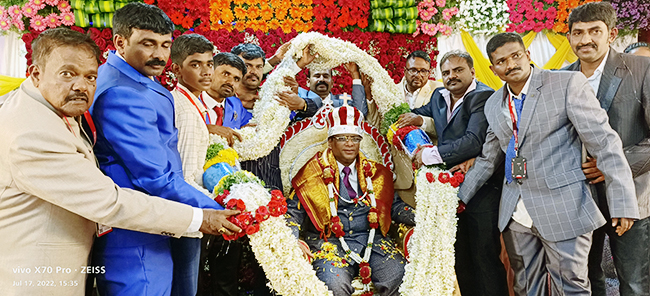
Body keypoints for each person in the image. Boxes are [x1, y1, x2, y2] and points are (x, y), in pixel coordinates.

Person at [0, 27, 239, 296]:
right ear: (35, 73)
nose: (81, 85)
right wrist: (200, 217)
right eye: (67, 74)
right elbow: (109, 201)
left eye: (90, 77)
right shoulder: (31, 132)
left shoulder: (50, 105)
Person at [458, 32, 639, 296]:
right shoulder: (494, 103)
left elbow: (605, 143)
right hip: (516, 210)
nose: (510, 64)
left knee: (571, 286)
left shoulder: (566, 84)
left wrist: (622, 200)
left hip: (564, 204)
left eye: (515, 56)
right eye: (501, 61)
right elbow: (488, 158)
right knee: (526, 286)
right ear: (492, 68)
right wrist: (458, 198)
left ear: (527, 55)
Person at [90, 4, 235, 295]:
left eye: (166, 45)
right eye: (148, 44)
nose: (159, 55)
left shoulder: (133, 77)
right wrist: (222, 213)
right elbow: (154, 176)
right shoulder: (123, 93)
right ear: (120, 42)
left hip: (155, 219)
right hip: (137, 235)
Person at [401, 50, 508, 296]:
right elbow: (426, 112)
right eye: (446, 72)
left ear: (472, 71)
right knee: (459, 257)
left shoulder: (483, 97)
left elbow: (473, 141)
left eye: (458, 70)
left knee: (484, 257)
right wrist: (416, 118)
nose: (452, 76)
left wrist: (429, 155)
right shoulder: (439, 95)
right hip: (449, 190)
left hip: (482, 189)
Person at [564, 3, 650, 295]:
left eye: (594, 31)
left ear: (611, 34)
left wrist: (612, 165)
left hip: (632, 194)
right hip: (579, 198)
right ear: (569, 38)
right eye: (578, 33)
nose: (585, 39)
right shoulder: (561, 78)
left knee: (634, 281)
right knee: (585, 278)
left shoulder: (642, 68)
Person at [286, 105, 415, 296]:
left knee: (400, 276)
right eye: (342, 138)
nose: (349, 144)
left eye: (355, 139)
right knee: (334, 286)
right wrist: (291, 240)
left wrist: (423, 218)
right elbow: (293, 214)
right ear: (330, 142)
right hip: (328, 243)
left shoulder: (377, 173)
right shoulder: (311, 174)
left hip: (373, 241)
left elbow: (393, 206)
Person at [169, 33, 216, 296]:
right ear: (176, 69)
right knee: (186, 287)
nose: (207, 71)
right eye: (196, 65)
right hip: (188, 211)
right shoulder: (184, 110)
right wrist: (208, 211)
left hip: (192, 209)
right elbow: (186, 174)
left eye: (209, 63)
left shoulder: (193, 100)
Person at [200, 52, 250, 146]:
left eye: (236, 79)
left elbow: (260, 123)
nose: (230, 82)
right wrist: (207, 129)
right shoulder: (190, 100)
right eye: (226, 74)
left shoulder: (235, 104)